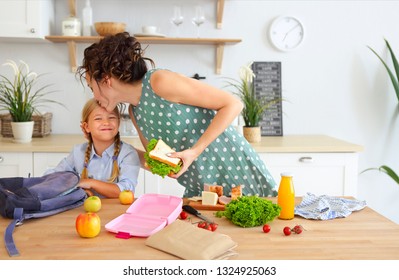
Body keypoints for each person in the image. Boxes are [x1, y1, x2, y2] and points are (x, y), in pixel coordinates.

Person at [76, 32, 277, 198]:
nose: (93, 95)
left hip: (234, 169)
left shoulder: (158, 81)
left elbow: (232, 104)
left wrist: (194, 151)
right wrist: (115, 149)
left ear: (106, 80)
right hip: (201, 189)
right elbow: (159, 162)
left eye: (90, 85)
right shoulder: (134, 112)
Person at [45, 98, 140, 198]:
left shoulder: (128, 153)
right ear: (86, 127)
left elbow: (126, 190)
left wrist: (90, 183)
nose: (106, 122)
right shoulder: (78, 152)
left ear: (118, 123)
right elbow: (53, 176)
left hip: (117, 212)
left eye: (111, 117)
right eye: (98, 118)